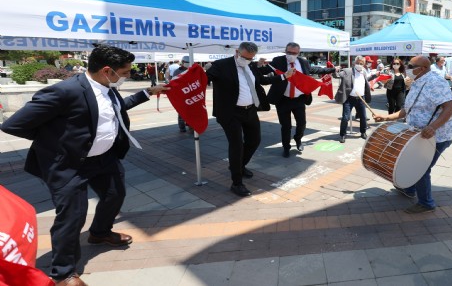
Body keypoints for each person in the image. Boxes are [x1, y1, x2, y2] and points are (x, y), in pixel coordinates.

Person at [0, 45, 168, 286]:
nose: (127, 75)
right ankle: (64, 272)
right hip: (69, 165)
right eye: (125, 72)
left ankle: (100, 233)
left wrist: (147, 93)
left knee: (115, 194)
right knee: (72, 217)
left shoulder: (107, 88)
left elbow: (115, 109)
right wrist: (57, 142)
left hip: (104, 159)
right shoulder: (65, 91)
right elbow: (13, 125)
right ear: (107, 70)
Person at [205, 42, 293, 197]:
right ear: (237, 52)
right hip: (230, 113)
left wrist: (284, 76)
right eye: (245, 57)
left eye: (251, 59)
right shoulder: (220, 65)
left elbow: (263, 81)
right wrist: (200, 73)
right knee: (237, 145)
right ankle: (236, 183)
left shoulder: (251, 66)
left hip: (250, 110)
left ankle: (238, 166)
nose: (248, 61)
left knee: (255, 140)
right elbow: (203, 80)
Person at [374, 56, 452, 214]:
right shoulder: (417, 82)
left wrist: (433, 127)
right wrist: (385, 117)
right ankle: (410, 188)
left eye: (411, 65)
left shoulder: (435, 81)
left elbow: (450, 107)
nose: (407, 67)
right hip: (419, 135)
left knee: (420, 168)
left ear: (422, 68)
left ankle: (426, 203)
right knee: (418, 166)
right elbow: (407, 110)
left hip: (437, 136)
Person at [265, 42, 336, 158]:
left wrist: (332, 70)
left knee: (302, 124)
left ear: (298, 53)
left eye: (294, 53)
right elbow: (266, 69)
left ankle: (298, 139)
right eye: (289, 52)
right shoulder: (278, 61)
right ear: (285, 51)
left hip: (299, 99)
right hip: (283, 99)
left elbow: (315, 70)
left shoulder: (303, 62)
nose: (291, 55)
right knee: (286, 126)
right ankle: (286, 147)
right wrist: (259, 65)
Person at [335, 56, 377, 143]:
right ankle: (342, 134)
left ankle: (363, 132)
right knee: (345, 118)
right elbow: (337, 75)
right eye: (357, 63)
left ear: (364, 64)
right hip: (349, 98)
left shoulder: (364, 72)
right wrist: (334, 70)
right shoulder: (348, 71)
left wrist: (374, 76)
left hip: (361, 98)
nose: (359, 65)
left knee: (363, 117)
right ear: (354, 63)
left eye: (361, 63)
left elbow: (366, 80)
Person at [172, 56, 191, 133]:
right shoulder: (177, 71)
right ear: (182, 62)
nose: (187, 64)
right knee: (181, 112)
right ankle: (182, 127)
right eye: (186, 63)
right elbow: (173, 82)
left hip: (190, 93)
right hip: (181, 94)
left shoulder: (192, 70)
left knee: (191, 112)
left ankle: (191, 126)